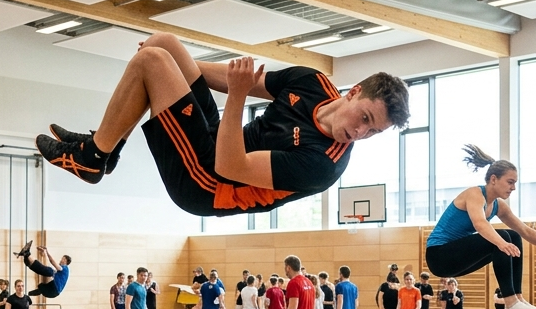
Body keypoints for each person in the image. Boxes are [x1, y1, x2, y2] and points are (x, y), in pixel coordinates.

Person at [35, 33, 409, 216]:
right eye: (365, 118)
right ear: (354, 91)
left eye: (373, 132)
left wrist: (235, 95)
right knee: (163, 45)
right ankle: (107, 150)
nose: (361, 133)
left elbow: (229, 166)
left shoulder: (325, 164)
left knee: (152, 63)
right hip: (217, 142)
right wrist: (181, 71)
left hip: (209, 184)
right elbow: (239, 81)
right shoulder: (312, 82)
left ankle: (93, 155)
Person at [427, 146, 536, 309]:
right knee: (504, 237)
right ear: (493, 179)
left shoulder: (499, 206)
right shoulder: (475, 194)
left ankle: (518, 299)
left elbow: (526, 231)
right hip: (439, 255)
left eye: (515, 183)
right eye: (510, 182)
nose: (513, 187)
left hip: (455, 260)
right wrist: (501, 243)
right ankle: (511, 302)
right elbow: (480, 224)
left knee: (513, 236)